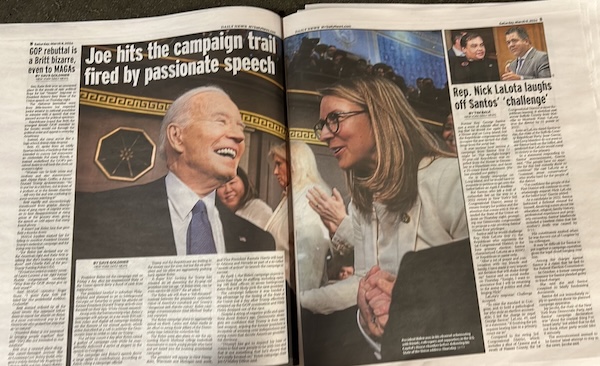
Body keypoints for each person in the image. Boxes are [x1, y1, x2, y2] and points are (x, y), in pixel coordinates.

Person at [305, 76, 468, 348]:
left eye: (335, 119)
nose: (323, 135)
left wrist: (410, 303)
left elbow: (483, 294)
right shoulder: (359, 203)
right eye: (322, 125)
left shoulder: (450, 180)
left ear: (379, 114)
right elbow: (363, 281)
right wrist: (302, 301)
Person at [72, 86, 275, 260]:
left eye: (241, 127)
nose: (239, 136)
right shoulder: (98, 214)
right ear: (177, 137)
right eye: (220, 121)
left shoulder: (259, 240)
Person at [265, 141, 332, 291]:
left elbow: (310, 253)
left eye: (279, 164)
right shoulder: (294, 195)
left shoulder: (311, 195)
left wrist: (301, 299)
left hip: (295, 292)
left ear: (296, 164)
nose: (275, 172)